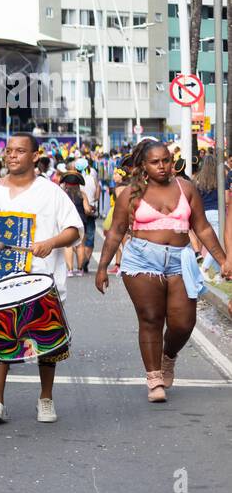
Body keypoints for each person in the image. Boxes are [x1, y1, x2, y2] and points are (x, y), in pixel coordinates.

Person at [95, 141, 230, 402]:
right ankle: (154, 379)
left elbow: (202, 228)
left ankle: (168, 357)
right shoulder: (131, 193)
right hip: (142, 260)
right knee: (151, 319)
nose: (162, 166)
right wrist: (102, 267)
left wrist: (223, 260)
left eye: (166, 160)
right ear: (144, 165)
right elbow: (116, 232)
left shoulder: (186, 188)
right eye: (155, 162)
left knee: (183, 323)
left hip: (181, 260)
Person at [0, 133, 82, 424]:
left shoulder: (51, 191)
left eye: (20, 151)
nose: (13, 156)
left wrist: (52, 242)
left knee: (47, 342)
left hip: (39, 282)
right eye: (9, 151)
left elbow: (74, 230)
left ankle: (45, 398)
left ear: (34, 156)